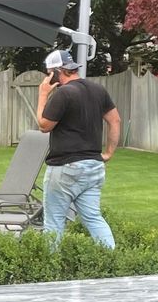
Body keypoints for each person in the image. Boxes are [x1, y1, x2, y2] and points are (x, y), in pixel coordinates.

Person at [35, 47, 120, 247]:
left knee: (54, 223)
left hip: (66, 168)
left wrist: (42, 95)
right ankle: (112, 261)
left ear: (58, 71)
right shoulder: (98, 90)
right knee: (93, 218)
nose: (48, 78)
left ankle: (50, 272)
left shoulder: (64, 93)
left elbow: (44, 126)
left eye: (50, 73)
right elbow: (115, 121)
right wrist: (108, 153)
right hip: (94, 167)